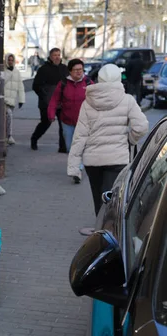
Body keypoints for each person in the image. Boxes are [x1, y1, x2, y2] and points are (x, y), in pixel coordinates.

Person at [68, 64, 148, 223]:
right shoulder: (127, 100)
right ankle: (112, 234)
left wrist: (73, 166)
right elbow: (141, 127)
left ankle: (100, 232)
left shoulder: (87, 102)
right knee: (114, 201)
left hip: (93, 161)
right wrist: (130, 140)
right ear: (118, 78)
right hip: (118, 159)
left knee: (99, 201)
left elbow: (80, 135)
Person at [47, 58, 93, 184]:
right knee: (70, 147)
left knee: (81, 147)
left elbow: (97, 100)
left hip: (84, 122)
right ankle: (77, 167)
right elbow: (54, 100)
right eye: (76, 70)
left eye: (81, 69)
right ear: (70, 71)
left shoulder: (88, 83)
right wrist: (51, 114)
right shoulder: (63, 83)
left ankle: (77, 170)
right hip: (67, 121)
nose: (79, 72)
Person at [31, 48, 69, 152]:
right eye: (55, 55)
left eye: (58, 55)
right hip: (47, 103)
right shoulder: (43, 69)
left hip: (61, 103)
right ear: (50, 56)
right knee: (46, 123)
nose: (57, 57)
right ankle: (34, 139)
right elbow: (36, 86)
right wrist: (45, 96)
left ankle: (63, 147)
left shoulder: (64, 69)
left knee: (63, 125)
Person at [4, 53, 25, 146]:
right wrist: (9, 72)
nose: (10, 62)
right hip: (4, 101)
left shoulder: (17, 72)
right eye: (9, 60)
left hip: (12, 101)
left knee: (8, 119)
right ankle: (9, 136)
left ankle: (6, 137)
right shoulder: (3, 70)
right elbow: (2, 81)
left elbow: (21, 87)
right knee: (9, 116)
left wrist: (21, 100)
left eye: (12, 60)